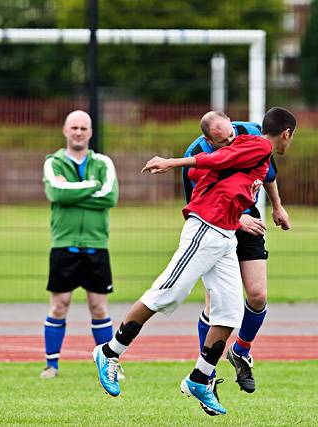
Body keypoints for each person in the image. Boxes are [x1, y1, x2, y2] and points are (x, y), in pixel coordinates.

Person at [92, 108, 296, 416]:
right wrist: (171, 162)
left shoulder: (251, 143)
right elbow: (214, 163)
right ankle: (109, 352)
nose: (227, 142)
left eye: (230, 136)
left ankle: (200, 378)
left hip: (226, 234)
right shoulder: (260, 145)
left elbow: (226, 169)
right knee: (166, 293)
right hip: (206, 228)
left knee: (229, 312)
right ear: (286, 134)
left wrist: (268, 206)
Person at [182, 111, 290, 406]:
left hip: (248, 221)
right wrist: (238, 218)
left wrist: (277, 207)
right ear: (208, 140)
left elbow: (266, 172)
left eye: (232, 136)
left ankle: (240, 350)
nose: (230, 143)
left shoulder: (254, 135)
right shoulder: (195, 156)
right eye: (222, 141)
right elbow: (200, 204)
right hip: (216, 226)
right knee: (214, 305)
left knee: (257, 295)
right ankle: (207, 373)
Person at [40, 110, 119, 379]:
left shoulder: (103, 163)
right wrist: (91, 187)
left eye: (83, 128)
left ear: (90, 132)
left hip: (97, 243)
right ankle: (52, 365)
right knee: (59, 304)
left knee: (99, 307)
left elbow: (109, 196)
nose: (78, 132)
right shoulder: (53, 162)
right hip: (64, 243)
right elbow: (56, 192)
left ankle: (107, 366)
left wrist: (73, 191)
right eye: (73, 127)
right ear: (64, 130)